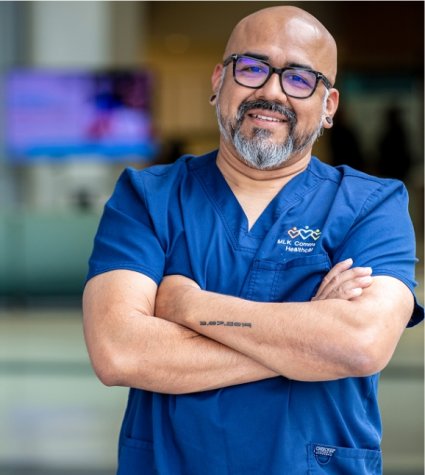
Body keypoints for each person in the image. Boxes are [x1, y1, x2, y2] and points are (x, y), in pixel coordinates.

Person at [83, 5, 423, 475]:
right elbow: (120, 351)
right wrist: (311, 337)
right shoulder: (148, 199)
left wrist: (189, 307)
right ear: (218, 80)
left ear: (329, 107)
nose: (270, 91)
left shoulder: (372, 206)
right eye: (252, 68)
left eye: (300, 79)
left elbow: (361, 343)